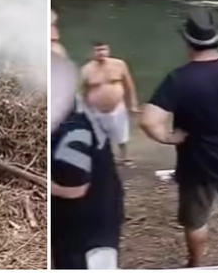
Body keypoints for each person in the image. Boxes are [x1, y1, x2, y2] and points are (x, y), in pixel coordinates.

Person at [141, 9, 218, 267]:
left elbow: (148, 120)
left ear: (188, 41)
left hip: (196, 164)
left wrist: (170, 138)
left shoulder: (178, 79)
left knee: (196, 221)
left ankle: (196, 264)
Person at [51, 42, 123, 268]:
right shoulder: (77, 104)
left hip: (87, 228)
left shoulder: (73, 132)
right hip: (103, 210)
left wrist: (46, 185)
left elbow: (75, 189)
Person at [81, 42, 139, 166]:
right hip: (96, 108)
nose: (101, 52)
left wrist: (133, 103)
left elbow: (129, 85)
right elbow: (84, 91)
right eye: (97, 50)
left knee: (122, 134)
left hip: (117, 106)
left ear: (108, 50)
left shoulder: (119, 65)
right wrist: (83, 109)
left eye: (103, 49)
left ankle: (124, 157)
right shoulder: (86, 69)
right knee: (98, 136)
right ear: (93, 52)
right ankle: (103, 158)